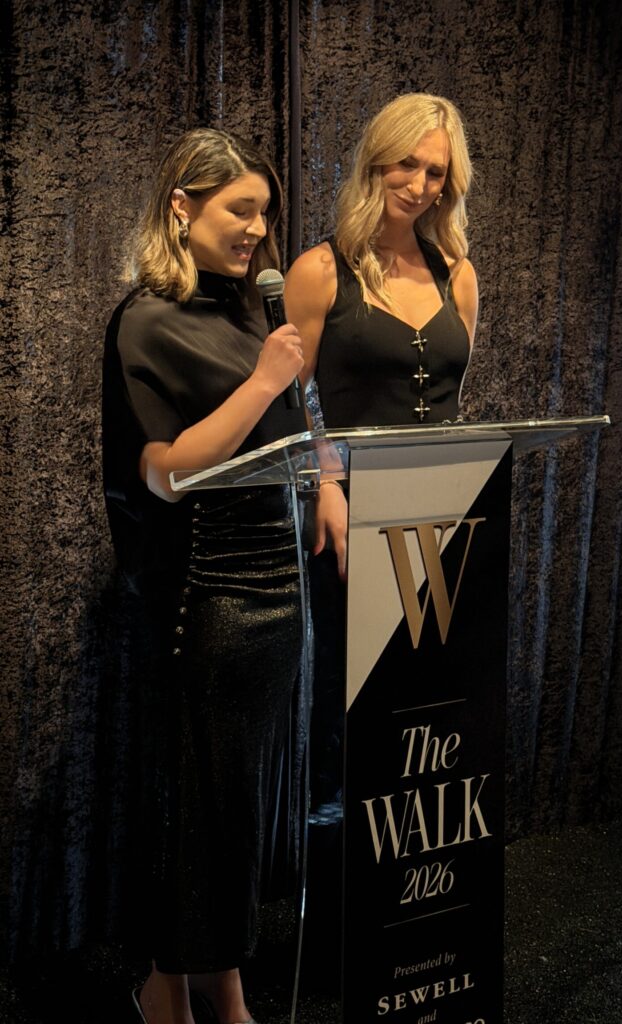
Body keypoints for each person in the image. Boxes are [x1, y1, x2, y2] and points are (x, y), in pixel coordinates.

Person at [102, 127, 307, 1024]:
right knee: (201, 807)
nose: (258, 230)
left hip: (279, 585)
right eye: (241, 209)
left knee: (240, 808)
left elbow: (281, 444)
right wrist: (264, 383)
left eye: (265, 212)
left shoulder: (249, 313)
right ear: (182, 207)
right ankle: (168, 992)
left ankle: (219, 983)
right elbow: (166, 472)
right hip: (211, 591)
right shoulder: (148, 319)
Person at [284, 92, 478, 809]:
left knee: (429, 685)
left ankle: (412, 837)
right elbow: (292, 399)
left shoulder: (457, 272)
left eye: (436, 173)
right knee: (348, 681)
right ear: (375, 160)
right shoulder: (319, 270)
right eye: (407, 164)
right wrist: (326, 485)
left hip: (447, 512)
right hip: (352, 514)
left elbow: (455, 392)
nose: (419, 185)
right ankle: (336, 831)